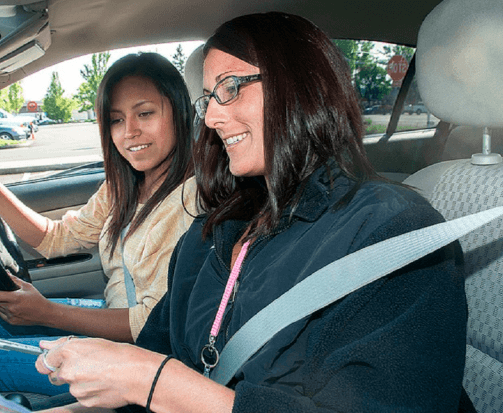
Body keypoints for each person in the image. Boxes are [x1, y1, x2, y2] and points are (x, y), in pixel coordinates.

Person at [34, 12, 470, 413]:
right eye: (208, 98)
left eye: (230, 88)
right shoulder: (211, 230)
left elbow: (150, 378)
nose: (210, 118)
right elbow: (152, 356)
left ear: (299, 85)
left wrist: (155, 384)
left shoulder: (392, 232)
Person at [0, 52, 199, 397]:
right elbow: (57, 238)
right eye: (116, 120)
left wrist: (48, 313)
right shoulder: (124, 185)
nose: (130, 132)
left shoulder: (190, 202)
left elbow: (149, 323)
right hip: (116, 315)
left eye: (145, 113)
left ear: (179, 111)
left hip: (147, 353)